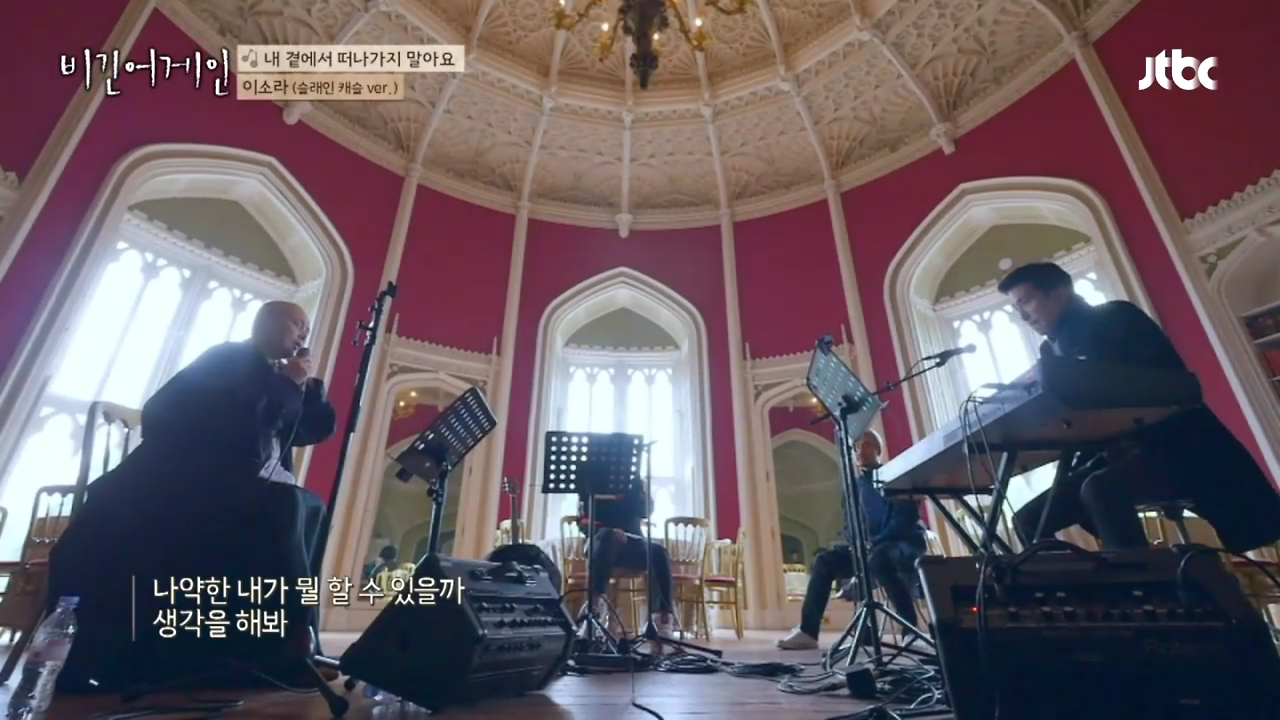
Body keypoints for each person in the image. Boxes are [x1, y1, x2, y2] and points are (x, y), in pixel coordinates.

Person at [47, 301, 338, 691]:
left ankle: (281, 648)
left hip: (239, 491)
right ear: (265, 322)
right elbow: (181, 414)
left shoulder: (279, 376)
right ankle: (280, 652)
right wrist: (284, 385)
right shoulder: (227, 358)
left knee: (310, 506)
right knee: (285, 507)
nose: (304, 333)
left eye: (307, 328)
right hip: (180, 483)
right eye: (297, 323)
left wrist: (306, 389)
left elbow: (311, 429)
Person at [998, 262, 1280, 552]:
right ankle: (1084, 582)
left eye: (1026, 302)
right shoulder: (1050, 353)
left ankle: (1143, 579)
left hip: (1176, 447)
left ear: (1059, 293)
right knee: (1028, 521)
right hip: (1115, 455)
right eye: (1016, 308)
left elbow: (1163, 389)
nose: (1023, 317)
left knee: (1100, 489)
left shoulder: (1115, 317)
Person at [778, 430, 927, 650]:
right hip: (869, 549)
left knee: (879, 560)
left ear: (878, 449)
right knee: (824, 561)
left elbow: (903, 520)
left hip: (902, 543)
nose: (860, 451)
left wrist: (874, 543)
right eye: (856, 447)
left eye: (866, 445)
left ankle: (910, 630)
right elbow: (850, 524)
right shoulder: (854, 487)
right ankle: (808, 631)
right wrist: (857, 543)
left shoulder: (895, 475)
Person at [577, 462, 676, 639]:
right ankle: (593, 611)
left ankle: (662, 619)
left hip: (632, 543)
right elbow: (583, 521)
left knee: (659, 552)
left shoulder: (633, 484)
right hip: (600, 541)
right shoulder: (592, 481)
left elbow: (644, 512)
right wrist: (608, 531)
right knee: (607, 536)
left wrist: (640, 491)